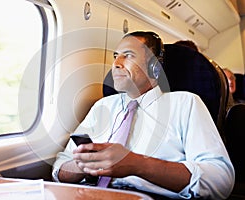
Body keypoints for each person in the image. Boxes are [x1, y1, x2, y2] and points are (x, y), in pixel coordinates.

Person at [52, 31, 234, 199]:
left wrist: (137, 164)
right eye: (115, 56)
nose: (116, 63)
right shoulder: (102, 106)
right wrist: (84, 165)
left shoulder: (185, 103)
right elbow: (59, 169)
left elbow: (219, 180)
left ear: (154, 67)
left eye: (128, 55)